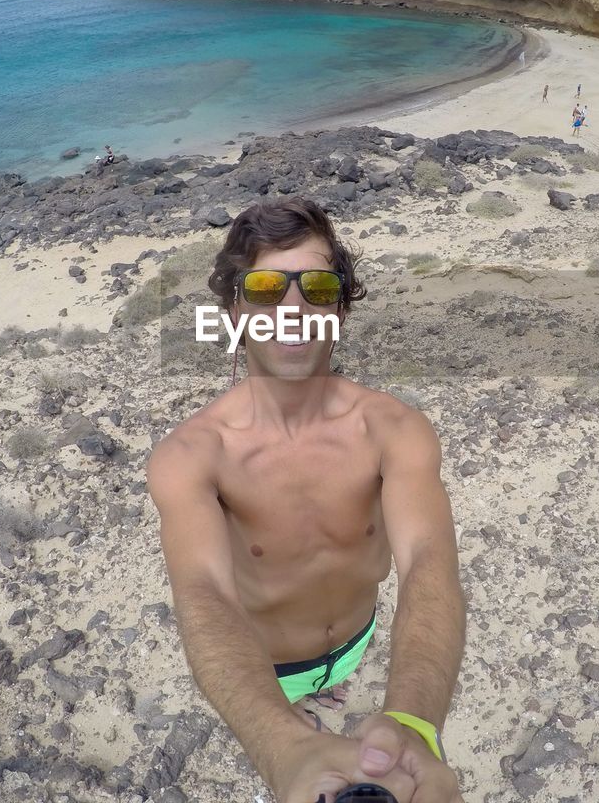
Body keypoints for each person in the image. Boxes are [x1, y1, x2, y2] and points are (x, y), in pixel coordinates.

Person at [146, 199, 466, 803]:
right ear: (235, 310)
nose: (292, 307)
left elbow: (429, 561)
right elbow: (204, 593)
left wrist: (415, 722)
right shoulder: (192, 457)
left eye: (317, 285)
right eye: (265, 286)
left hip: (355, 643)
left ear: (339, 309)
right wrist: (281, 745)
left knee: (337, 699)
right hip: (271, 672)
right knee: (304, 738)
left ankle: (329, 694)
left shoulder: (394, 430)